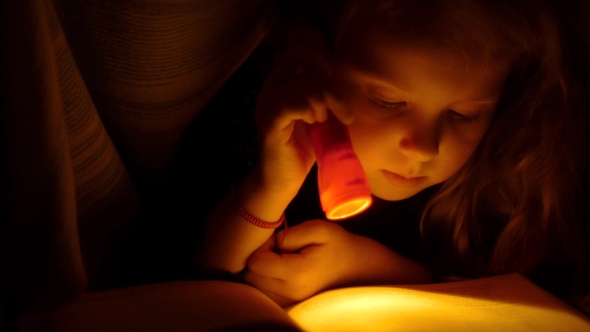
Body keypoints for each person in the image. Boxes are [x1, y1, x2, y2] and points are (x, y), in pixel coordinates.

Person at [199, 0, 590, 309]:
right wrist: (270, 186)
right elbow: (192, 283)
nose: (424, 147)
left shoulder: (507, 172)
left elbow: (531, 303)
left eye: (464, 114)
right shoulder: (263, 121)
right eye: (387, 102)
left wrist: (372, 270)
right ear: (319, 61)